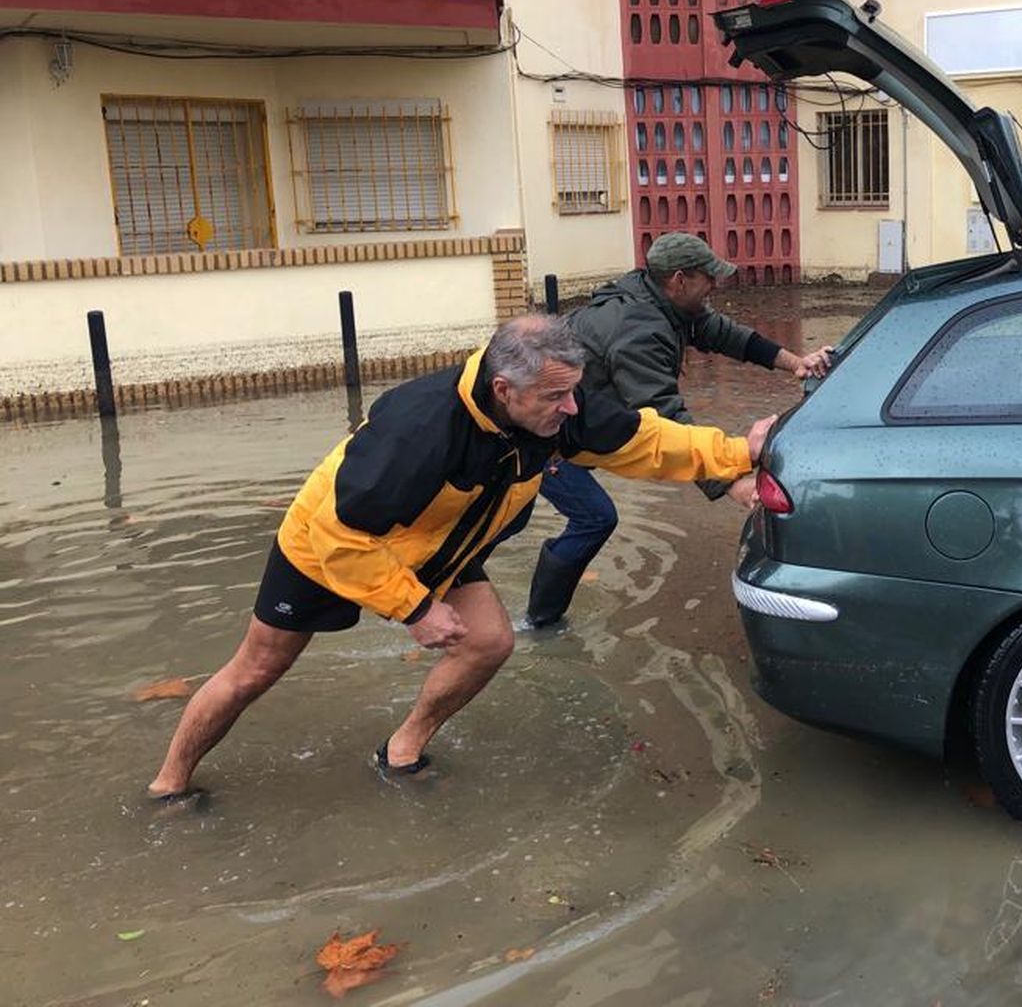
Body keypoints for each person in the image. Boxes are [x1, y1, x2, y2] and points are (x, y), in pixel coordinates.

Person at [147, 313, 772, 800]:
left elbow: (644, 439)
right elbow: (343, 537)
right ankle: (170, 784)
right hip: (326, 545)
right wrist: (414, 608)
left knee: (490, 641)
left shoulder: (555, 406)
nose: (572, 409)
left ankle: (401, 748)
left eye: (574, 393)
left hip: (441, 546)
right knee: (256, 670)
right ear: (505, 388)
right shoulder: (419, 429)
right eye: (558, 397)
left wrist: (736, 453)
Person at [525, 233, 832, 629]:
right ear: (680, 279)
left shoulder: (658, 298)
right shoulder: (640, 330)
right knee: (594, 517)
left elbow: (724, 334)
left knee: (527, 515)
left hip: (585, 426)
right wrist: (729, 481)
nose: (715, 286)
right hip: (544, 433)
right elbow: (666, 423)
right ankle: (540, 623)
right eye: (709, 278)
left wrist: (796, 364)